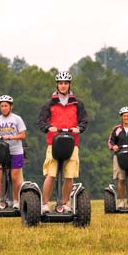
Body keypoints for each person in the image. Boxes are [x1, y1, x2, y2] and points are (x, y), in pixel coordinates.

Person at [37, 71, 89, 213]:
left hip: (72, 143)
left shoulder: (77, 103)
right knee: (51, 174)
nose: (63, 86)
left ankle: (65, 204)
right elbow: (41, 121)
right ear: (57, 85)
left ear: (69, 85)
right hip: (53, 143)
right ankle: (44, 204)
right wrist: (49, 127)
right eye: (61, 83)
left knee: (69, 174)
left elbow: (84, 120)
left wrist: (79, 128)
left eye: (66, 83)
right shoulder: (50, 104)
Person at [0, 95, 27, 210]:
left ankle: (16, 201)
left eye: (6, 106)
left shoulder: (17, 119)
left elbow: (23, 135)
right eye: (2, 106)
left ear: (11, 107)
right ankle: (2, 200)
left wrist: (11, 137)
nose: (3, 108)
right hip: (2, 153)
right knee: (2, 177)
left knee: (14, 177)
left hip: (16, 152)